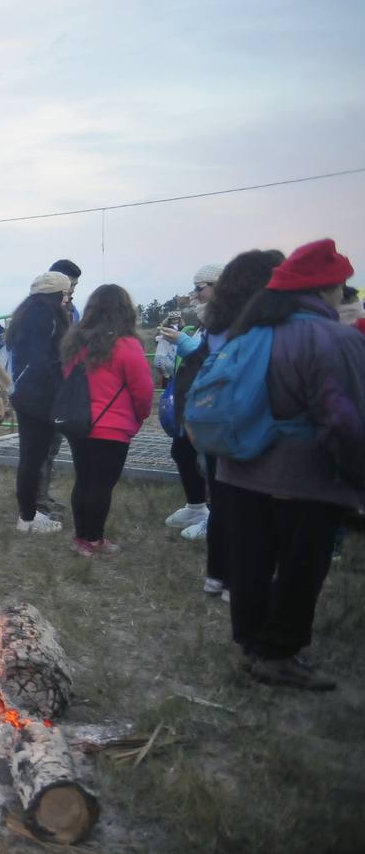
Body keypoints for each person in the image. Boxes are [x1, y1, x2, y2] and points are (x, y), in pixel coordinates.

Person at [217, 239, 364, 690]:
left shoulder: (249, 333)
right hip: (302, 476)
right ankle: (279, 653)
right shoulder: (332, 339)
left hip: (240, 470)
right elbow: (342, 418)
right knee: (302, 567)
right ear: (327, 288)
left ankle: (252, 643)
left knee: (251, 563)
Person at [163, 251, 284, 598]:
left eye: (201, 287)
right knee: (247, 507)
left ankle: (217, 575)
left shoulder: (217, 321)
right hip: (248, 422)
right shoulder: (253, 323)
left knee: (225, 501)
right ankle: (237, 581)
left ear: (222, 286)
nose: (197, 293)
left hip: (214, 419)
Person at [58, 285, 155, 557]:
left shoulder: (75, 344)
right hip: (112, 428)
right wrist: (141, 415)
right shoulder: (127, 346)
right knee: (102, 484)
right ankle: (94, 538)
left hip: (79, 424)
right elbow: (144, 391)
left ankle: (80, 538)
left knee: (84, 480)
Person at [6, 271, 73, 534]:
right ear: (55, 295)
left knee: (31, 457)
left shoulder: (27, 314)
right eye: (66, 293)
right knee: (34, 458)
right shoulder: (45, 317)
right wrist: (61, 388)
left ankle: (29, 513)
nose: (68, 299)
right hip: (40, 397)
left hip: (26, 394)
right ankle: (28, 517)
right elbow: (42, 360)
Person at [160, 264, 224, 536]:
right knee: (182, 452)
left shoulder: (227, 320)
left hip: (212, 402)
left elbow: (214, 358)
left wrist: (182, 344)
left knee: (213, 463)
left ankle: (218, 519)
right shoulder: (205, 318)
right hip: (192, 401)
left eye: (200, 288)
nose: (195, 294)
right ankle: (196, 506)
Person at [36, 259, 83, 515]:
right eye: (70, 285)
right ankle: (37, 502)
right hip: (43, 390)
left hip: (62, 389)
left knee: (52, 447)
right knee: (40, 447)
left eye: (75, 285)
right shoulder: (40, 313)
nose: (73, 290)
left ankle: (44, 496)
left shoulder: (72, 311)